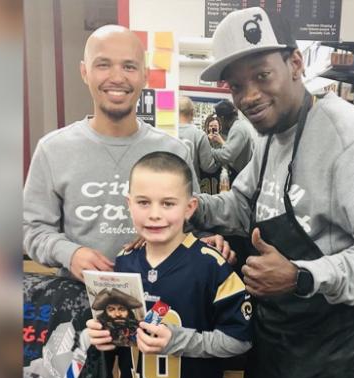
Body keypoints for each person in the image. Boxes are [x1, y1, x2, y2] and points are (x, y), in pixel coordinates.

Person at [193, 7, 354, 378]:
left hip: (325, 364)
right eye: (237, 86)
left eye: (261, 75)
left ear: (295, 64)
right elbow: (243, 205)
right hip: (271, 345)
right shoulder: (270, 135)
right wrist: (195, 208)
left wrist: (300, 276)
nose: (249, 96)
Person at [23, 25, 233, 281]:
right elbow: (32, 229)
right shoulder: (52, 150)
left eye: (129, 67)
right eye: (103, 65)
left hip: (162, 305)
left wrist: (206, 242)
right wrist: (70, 253)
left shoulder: (173, 150)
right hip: (79, 302)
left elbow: (188, 225)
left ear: (144, 76)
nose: (117, 77)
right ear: (84, 72)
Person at [86, 151, 252, 378]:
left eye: (168, 203)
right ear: (129, 204)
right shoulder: (124, 263)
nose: (154, 214)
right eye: (143, 202)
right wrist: (102, 337)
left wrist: (180, 341)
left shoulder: (211, 266)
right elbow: (121, 337)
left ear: (190, 207)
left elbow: (241, 339)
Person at [207, 99, 254, 178]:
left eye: (219, 120)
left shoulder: (238, 129)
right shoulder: (239, 126)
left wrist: (208, 151)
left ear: (222, 118)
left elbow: (227, 155)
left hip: (242, 175)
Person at [177, 96, 219, 183]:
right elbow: (208, 167)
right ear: (192, 113)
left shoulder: (166, 132)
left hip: (169, 187)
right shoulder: (199, 135)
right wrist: (220, 161)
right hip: (191, 188)